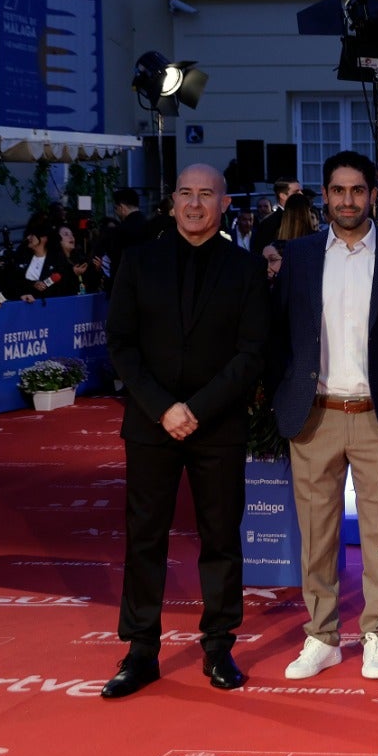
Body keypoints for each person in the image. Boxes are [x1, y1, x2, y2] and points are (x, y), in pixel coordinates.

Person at [100, 164, 269, 698]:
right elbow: (121, 344)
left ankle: (218, 645)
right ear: (171, 201)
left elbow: (252, 353)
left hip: (216, 427)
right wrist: (162, 408)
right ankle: (140, 650)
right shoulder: (138, 261)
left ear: (224, 205)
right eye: (186, 194)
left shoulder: (244, 270)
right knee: (144, 539)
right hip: (151, 426)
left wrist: (195, 408)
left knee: (220, 540)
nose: (195, 204)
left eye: (206, 195)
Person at [270, 150, 378, 681]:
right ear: (324, 196)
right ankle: (321, 636)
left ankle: (377, 635)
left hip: (376, 414)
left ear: (372, 196)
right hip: (313, 415)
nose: (347, 200)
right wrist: (281, 396)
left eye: (357, 191)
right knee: (316, 534)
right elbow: (278, 334)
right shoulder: (296, 257)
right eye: (338, 191)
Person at [251, 178, 299, 255]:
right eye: (296, 192)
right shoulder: (268, 223)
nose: (301, 194)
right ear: (283, 196)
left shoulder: (302, 218)